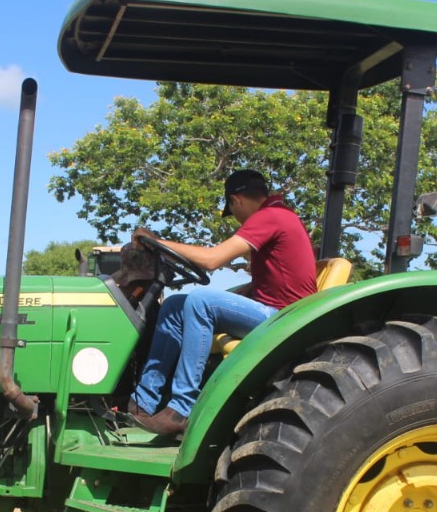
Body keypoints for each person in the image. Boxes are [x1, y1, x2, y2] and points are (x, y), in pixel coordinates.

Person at [128, 170, 317, 435]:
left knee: (200, 300)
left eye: (231, 210)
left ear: (236, 200)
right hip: (276, 311)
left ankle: (180, 409)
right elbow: (275, 280)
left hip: (285, 319)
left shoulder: (271, 216)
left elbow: (212, 259)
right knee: (173, 306)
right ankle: (142, 402)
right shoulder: (278, 216)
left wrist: (157, 241)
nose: (236, 220)